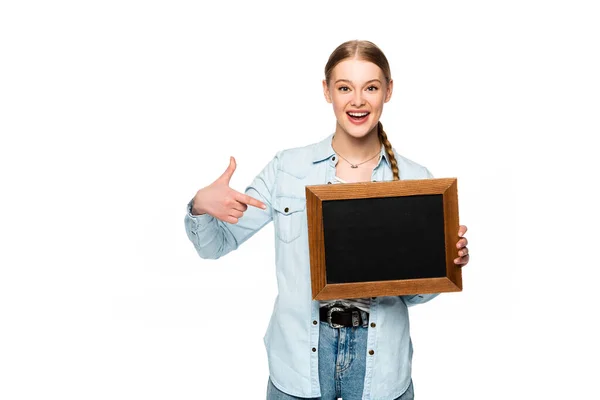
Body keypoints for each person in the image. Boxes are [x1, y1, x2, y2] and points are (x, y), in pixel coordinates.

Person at [184, 40, 470, 400]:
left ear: (388, 91)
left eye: (371, 87)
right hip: (299, 365)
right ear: (327, 91)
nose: (358, 100)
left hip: (379, 370)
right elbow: (216, 246)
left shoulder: (415, 179)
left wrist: (444, 261)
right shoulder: (287, 168)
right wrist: (199, 205)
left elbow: (413, 294)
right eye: (344, 87)